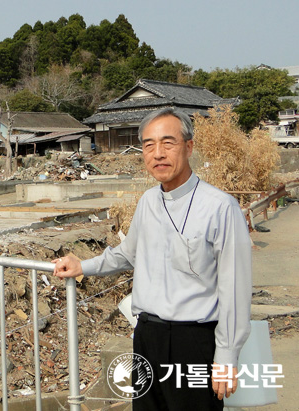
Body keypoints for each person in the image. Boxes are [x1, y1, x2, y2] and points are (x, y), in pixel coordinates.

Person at [53, 107, 252, 410]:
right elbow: (127, 254)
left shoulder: (220, 208)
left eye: (168, 143)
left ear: (189, 146)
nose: (158, 153)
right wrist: (84, 266)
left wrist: (226, 356)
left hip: (193, 343)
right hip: (146, 337)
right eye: (149, 145)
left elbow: (235, 288)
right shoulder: (148, 202)